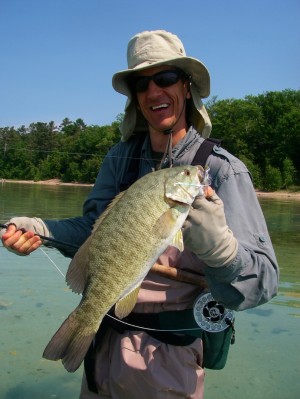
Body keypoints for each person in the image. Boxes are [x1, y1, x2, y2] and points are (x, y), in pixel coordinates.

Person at [0, 30, 279, 399]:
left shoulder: (222, 170)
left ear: (187, 86)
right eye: (141, 83)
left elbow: (263, 283)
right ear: (134, 97)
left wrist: (222, 252)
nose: (153, 92)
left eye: (165, 78)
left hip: (167, 359)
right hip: (102, 348)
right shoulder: (120, 158)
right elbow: (92, 232)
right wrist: (40, 228)